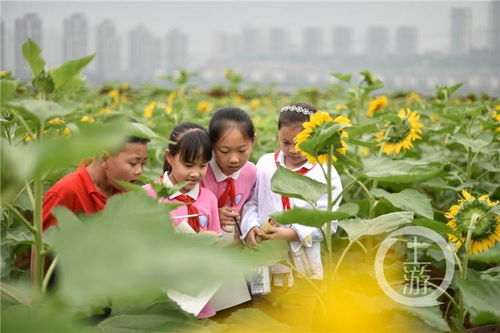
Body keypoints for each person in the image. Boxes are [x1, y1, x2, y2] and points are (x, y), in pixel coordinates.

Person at [240, 103, 343, 326]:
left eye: (301, 144)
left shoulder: (326, 173)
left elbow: (328, 225)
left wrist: (289, 234)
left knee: (299, 321)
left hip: (303, 269)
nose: (292, 150)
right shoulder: (266, 164)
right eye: (285, 142)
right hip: (264, 264)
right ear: (278, 136)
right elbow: (252, 202)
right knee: (264, 319)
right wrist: (249, 227)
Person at [143, 122, 221, 319]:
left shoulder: (209, 198)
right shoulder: (150, 194)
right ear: (170, 157)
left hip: (199, 296)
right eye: (188, 165)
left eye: (202, 166)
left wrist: (210, 240)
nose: (195, 173)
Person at [41, 136, 150, 231]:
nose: (139, 170)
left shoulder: (126, 192)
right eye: (133, 163)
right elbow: (43, 248)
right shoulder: (65, 192)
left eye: (143, 163)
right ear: (104, 157)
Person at [201, 107, 256, 242]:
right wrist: (213, 214)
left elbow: (252, 207)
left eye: (242, 150)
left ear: (253, 141)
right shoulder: (200, 173)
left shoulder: (252, 173)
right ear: (211, 144)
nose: (234, 160)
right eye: (224, 151)